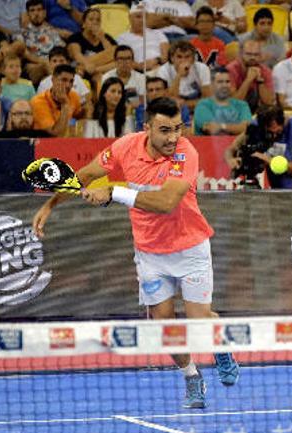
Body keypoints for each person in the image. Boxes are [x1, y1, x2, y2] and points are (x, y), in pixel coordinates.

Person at [32, 97, 240, 409]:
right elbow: (86, 175)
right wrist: (49, 206)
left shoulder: (186, 152)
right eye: (164, 130)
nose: (172, 137)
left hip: (191, 247)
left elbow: (166, 202)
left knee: (198, 323)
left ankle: (219, 341)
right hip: (150, 253)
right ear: (147, 128)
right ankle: (191, 376)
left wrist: (114, 192)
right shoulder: (124, 147)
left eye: (178, 129)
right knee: (166, 325)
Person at [224, 104, 292, 189]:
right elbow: (230, 149)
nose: (273, 136)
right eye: (269, 132)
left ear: (282, 122)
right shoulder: (256, 126)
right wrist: (231, 160)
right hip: (278, 189)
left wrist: (271, 161)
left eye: (277, 132)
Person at [155, 40, 212, 110]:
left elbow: (207, 97)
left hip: (198, 108)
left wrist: (185, 104)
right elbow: (166, 100)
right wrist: (179, 75)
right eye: (179, 57)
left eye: (187, 57)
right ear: (172, 58)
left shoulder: (202, 68)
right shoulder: (163, 71)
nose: (183, 60)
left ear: (193, 59)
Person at [31, 62, 85, 136]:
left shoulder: (73, 96)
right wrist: (65, 104)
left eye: (71, 81)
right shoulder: (38, 102)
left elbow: (79, 117)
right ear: (53, 80)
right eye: (64, 80)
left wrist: (86, 110)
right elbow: (54, 135)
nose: (68, 85)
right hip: (45, 143)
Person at [15, 0, 63, 83]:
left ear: (44, 12)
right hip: (33, 65)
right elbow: (24, 54)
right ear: (27, 14)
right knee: (48, 66)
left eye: (39, 10)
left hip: (52, 63)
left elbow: (61, 50)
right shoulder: (21, 33)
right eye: (32, 10)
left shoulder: (52, 31)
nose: (36, 13)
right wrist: (44, 62)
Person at [193, 67, 249, 135]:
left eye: (227, 81)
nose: (224, 85)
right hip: (208, 144)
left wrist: (222, 126)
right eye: (220, 82)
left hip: (238, 145)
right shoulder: (202, 105)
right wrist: (237, 128)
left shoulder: (242, 105)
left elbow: (247, 128)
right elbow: (212, 130)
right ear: (212, 84)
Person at [66, 7, 117, 81]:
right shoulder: (75, 37)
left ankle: (91, 69)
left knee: (117, 56)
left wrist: (102, 39)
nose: (95, 22)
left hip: (95, 70)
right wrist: (87, 65)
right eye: (91, 19)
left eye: (98, 20)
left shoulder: (106, 37)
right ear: (83, 24)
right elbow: (77, 55)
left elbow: (115, 55)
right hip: (79, 71)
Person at [115, 5, 169, 73]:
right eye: (138, 17)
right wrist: (141, 66)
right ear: (130, 18)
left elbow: (165, 55)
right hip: (139, 71)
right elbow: (124, 59)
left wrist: (156, 61)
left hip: (162, 66)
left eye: (144, 17)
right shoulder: (122, 38)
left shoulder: (158, 33)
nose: (142, 20)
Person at [225, 38, 274, 111]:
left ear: (260, 55)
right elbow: (233, 103)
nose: (252, 57)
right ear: (241, 54)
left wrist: (260, 81)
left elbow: (268, 102)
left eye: (256, 54)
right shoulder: (230, 70)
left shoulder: (265, 71)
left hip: (256, 114)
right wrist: (248, 80)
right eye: (248, 54)